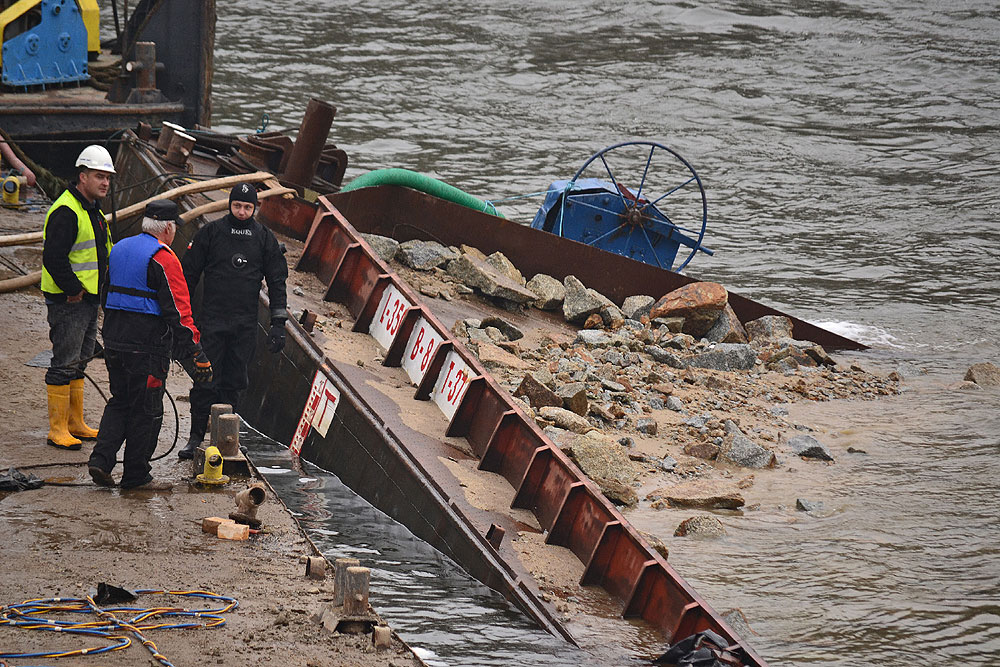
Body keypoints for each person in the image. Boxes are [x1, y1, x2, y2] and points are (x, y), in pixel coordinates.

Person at [87, 200, 212, 490]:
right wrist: (198, 353)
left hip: (115, 341)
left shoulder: (119, 249)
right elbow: (179, 313)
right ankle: (136, 476)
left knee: (120, 401)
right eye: (174, 229)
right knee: (147, 411)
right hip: (147, 349)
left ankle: (101, 461)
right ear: (168, 228)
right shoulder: (164, 258)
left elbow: (106, 293)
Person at [178, 183, 287, 459]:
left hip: (244, 324)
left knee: (235, 382)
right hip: (212, 320)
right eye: (237, 206)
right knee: (205, 380)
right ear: (229, 205)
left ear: (255, 209)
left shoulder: (263, 238)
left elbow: (277, 281)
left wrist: (278, 322)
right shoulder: (212, 233)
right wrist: (181, 319)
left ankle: (226, 439)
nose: (241, 212)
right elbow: (188, 275)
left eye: (247, 207)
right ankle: (194, 438)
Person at [40, 145, 114, 450]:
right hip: (70, 302)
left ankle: (75, 422)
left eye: (108, 177)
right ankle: (57, 428)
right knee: (64, 362)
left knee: (80, 361)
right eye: (99, 176)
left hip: (88, 300)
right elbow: (53, 258)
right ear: (82, 176)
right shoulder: (67, 210)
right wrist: (73, 290)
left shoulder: (91, 209)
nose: (105, 183)